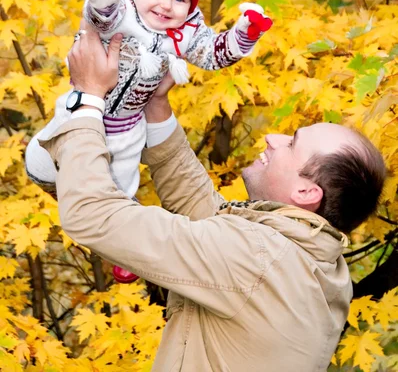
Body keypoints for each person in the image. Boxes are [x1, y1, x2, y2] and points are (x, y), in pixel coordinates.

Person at [39, 25, 386, 372]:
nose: (272, 138)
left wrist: (86, 99)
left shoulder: (258, 259)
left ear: (307, 193)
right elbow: (211, 217)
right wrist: (156, 106)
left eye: (292, 144)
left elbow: (94, 215)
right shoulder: (313, 263)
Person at [25, 0, 272, 283]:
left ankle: (120, 254)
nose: (166, 5)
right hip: (84, 105)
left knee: (121, 185)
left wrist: (245, 33)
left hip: (127, 125)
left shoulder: (185, 32)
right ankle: (46, 173)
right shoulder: (123, 9)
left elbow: (215, 53)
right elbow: (102, 18)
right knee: (56, 145)